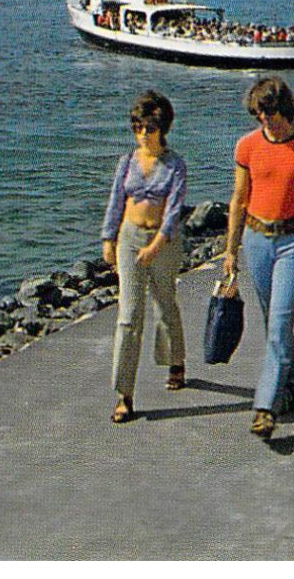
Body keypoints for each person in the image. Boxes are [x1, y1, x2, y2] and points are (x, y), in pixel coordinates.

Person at [222, 77, 294, 439]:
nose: (263, 120)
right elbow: (239, 200)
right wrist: (230, 249)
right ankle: (291, 380)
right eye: (258, 114)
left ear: (283, 109)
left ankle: (265, 406)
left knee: (280, 321)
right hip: (256, 239)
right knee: (274, 321)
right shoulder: (247, 146)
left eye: (268, 113)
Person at [100, 90, 189, 423]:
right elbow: (116, 201)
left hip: (162, 242)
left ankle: (175, 360)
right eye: (137, 127)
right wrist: (108, 238)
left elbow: (175, 210)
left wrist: (157, 245)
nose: (142, 134)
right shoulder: (127, 162)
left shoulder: (176, 165)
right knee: (129, 315)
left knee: (165, 304)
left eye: (148, 128)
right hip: (129, 238)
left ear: (162, 128)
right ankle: (124, 394)